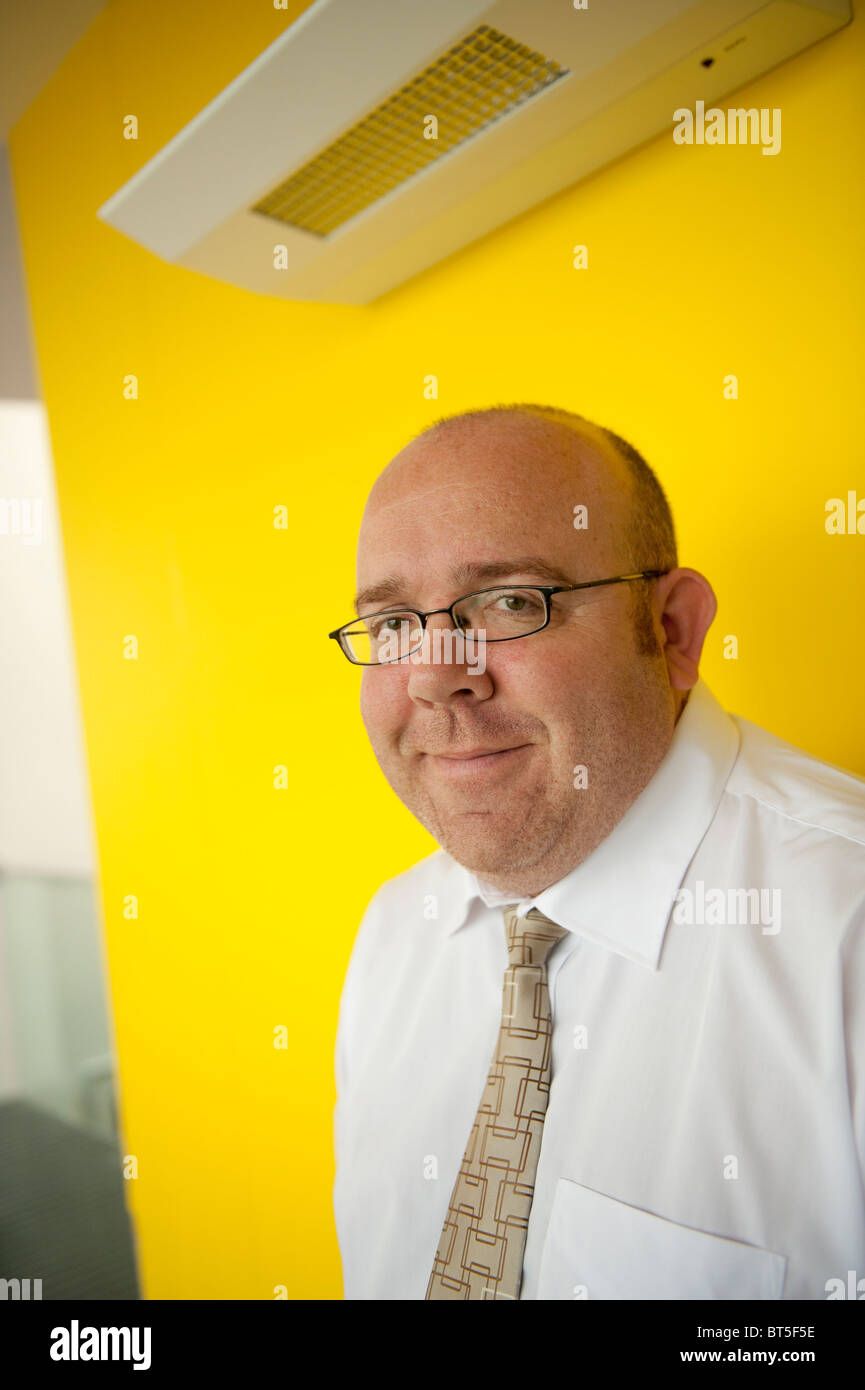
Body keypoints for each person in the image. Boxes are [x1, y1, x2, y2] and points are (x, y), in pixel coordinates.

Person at [330, 404, 865, 1301]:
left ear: (672, 632)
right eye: (391, 625)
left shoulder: (844, 932)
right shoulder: (395, 931)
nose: (432, 676)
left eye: (508, 602)